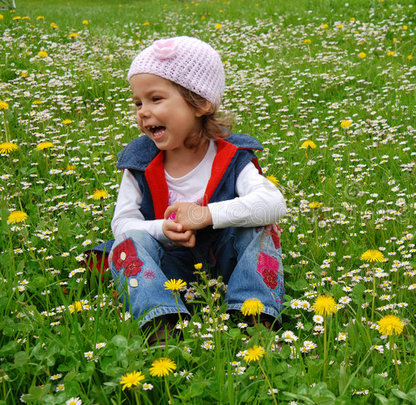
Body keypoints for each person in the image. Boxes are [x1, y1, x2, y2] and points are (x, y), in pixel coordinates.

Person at [94, 36, 286, 344]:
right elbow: (122, 224)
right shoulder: (140, 162)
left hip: (228, 263)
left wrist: (206, 214)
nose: (143, 112)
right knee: (127, 244)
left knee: (262, 226)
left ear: (201, 102)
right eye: (138, 102)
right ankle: (162, 321)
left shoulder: (232, 155)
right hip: (167, 270)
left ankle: (256, 315)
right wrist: (162, 228)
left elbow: (273, 203)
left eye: (156, 99)